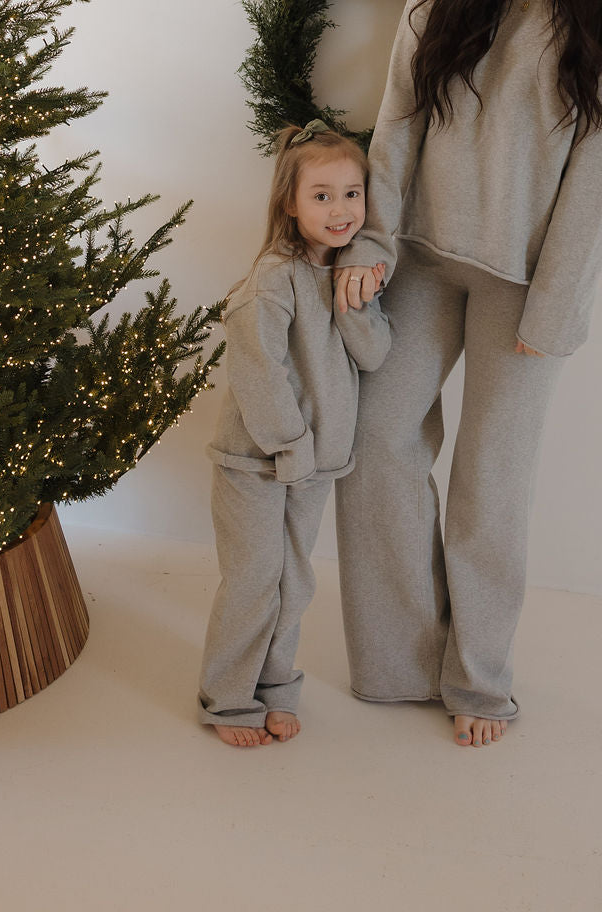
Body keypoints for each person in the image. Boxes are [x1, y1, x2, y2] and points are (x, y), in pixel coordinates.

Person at [333, 0, 602, 749]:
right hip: (424, 254)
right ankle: (400, 663)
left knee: (488, 483)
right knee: (375, 444)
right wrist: (375, 236)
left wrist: (557, 301)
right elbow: (401, 106)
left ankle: (478, 678)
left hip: (524, 280)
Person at [198, 120, 391, 747]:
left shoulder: (347, 276)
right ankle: (230, 700)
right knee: (254, 581)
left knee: (294, 583)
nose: (341, 210)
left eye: (352, 193)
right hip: (256, 462)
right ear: (290, 203)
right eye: (322, 195)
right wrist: (291, 446)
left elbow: (375, 355)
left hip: (317, 466)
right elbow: (259, 374)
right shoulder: (271, 282)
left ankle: (276, 689)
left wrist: (354, 297)